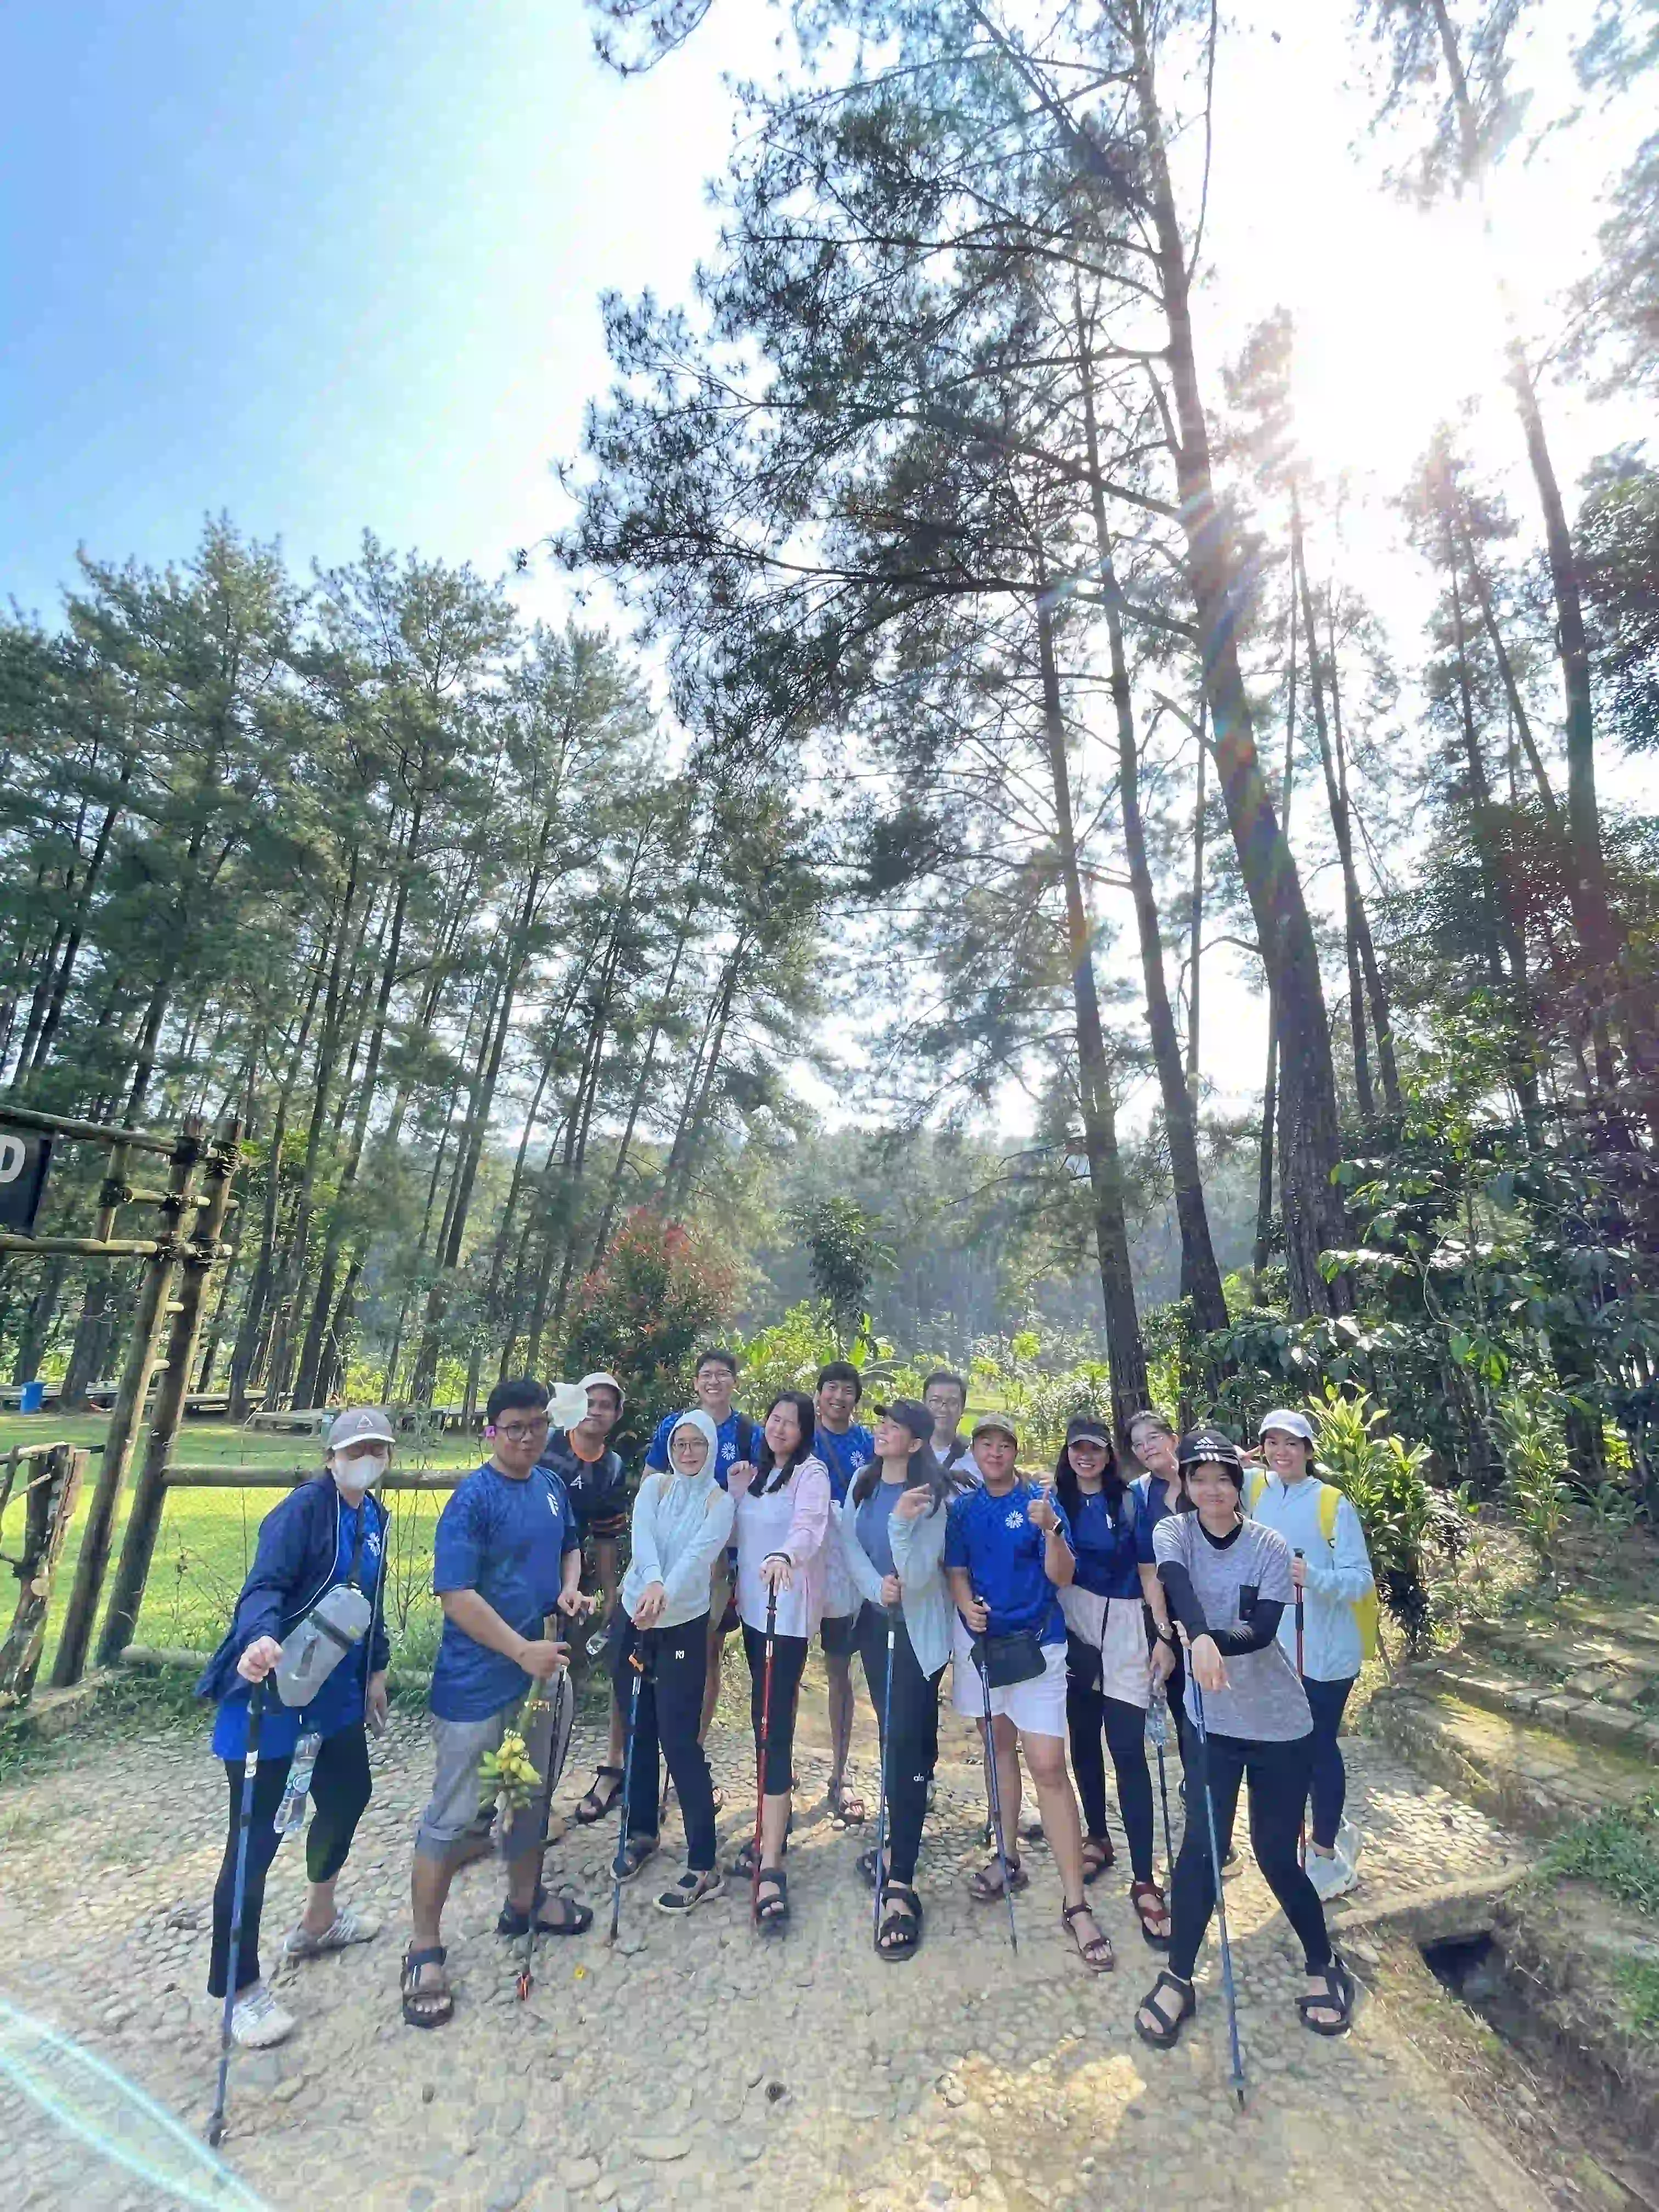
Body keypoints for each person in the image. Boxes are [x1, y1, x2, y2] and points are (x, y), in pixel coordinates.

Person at [1136, 1427, 1354, 2051]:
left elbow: (1260, 1630)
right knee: (1201, 1852)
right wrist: (1195, 1636)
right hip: (1212, 1724)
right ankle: (1179, 1976)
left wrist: (1208, 1642)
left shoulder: (1268, 1544)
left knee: (1276, 1856)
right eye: (1199, 1478)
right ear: (1185, 1483)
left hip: (1279, 1726)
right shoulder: (1173, 1532)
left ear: (1239, 1485)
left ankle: (1324, 1963)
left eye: (1223, 1479)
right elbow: (1177, 1585)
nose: (1211, 1490)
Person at [196, 1407, 393, 2049]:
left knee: (349, 1792)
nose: (367, 1459)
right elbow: (264, 1589)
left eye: (378, 1449)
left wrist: (377, 1669)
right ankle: (239, 1989)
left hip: (334, 1693)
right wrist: (257, 1639)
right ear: (332, 1456)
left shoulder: (375, 1519)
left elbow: (369, 1604)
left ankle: (319, 1918)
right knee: (255, 1840)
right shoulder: (302, 1512)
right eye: (356, 1449)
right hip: (271, 1691)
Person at [404, 1379, 592, 2030]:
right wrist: (520, 1650)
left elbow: (569, 1545)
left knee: (530, 1797)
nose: (528, 1437)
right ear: (492, 1431)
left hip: (539, 1677)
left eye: (538, 1425)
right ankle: (424, 1948)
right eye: (514, 1427)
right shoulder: (473, 1499)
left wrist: (569, 1589)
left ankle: (524, 1901)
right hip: (476, 1683)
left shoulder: (551, 1485)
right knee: (456, 1815)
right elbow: (456, 1595)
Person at [944, 1414, 1114, 1974]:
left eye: (1004, 1445)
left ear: (1016, 1452)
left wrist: (1053, 1531)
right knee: (998, 1750)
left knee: (1048, 1766)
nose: (995, 1453)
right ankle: (1008, 1854)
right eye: (986, 1444)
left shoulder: (1041, 1501)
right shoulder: (965, 1509)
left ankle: (1076, 1903)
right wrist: (964, 1603)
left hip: (1040, 1646)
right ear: (975, 1451)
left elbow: (1062, 1577)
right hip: (987, 1649)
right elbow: (957, 1569)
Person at [608, 1409, 736, 1912]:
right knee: (637, 1727)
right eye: (680, 1444)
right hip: (635, 1615)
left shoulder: (720, 1502)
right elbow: (642, 1543)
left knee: (679, 1741)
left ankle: (703, 1863)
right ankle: (641, 1831)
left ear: (711, 1449)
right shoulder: (654, 1488)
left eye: (697, 1444)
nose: (688, 1452)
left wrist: (664, 1592)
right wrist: (652, 1585)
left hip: (680, 1625)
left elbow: (698, 1557)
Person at [1246, 1407, 1376, 1901]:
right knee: (1292, 1747)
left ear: (1308, 1449)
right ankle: (1336, 1827)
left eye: (1292, 1443)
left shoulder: (1331, 1502)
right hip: (1279, 1649)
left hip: (1327, 1650)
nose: (1282, 1452)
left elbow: (1360, 1579)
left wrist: (1313, 1578)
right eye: (1272, 1443)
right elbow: (1203, 1474)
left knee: (1318, 1747)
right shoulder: (1256, 1489)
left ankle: (1325, 1856)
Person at [839, 1400, 953, 1959]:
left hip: (915, 1637)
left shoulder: (930, 1498)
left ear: (915, 1443)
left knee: (905, 1747)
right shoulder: (862, 1480)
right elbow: (848, 1543)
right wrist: (872, 1588)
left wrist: (901, 1525)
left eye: (894, 1427)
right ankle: (898, 1839)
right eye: (881, 1423)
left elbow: (918, 1576)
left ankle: (902, 1883)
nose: (882, 1430)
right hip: (874, 1626)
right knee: (895, 1741)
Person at [1051, 1415, 1170, 1946]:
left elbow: (1148, 1569)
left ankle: (1144, 1877)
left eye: (1095, 1449)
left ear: (1108, 1455)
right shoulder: (1054, 1500)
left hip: (1124, 1626)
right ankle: (1097, 1836)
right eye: (1078, 1448)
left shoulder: (1129, 1502)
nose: (1086, 1456)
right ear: (1067, 1453)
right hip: (1073, 1623)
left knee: (1127, 1751)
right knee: (1083, 1742)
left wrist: (1163, 1633)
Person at [727, 1389, 831, 1934]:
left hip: (786, 1617)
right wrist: (733, 1492)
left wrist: (785, 1554)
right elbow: (732, 1534)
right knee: (763, 1720)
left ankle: (772, 1862)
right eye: (774, 1419)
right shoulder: (755, 1476)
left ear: (805, 1431)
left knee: (774, 1727)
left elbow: (809, 1528)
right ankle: (773, 1825)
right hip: (753, 1612)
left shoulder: (811, 1475)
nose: (779, 1428)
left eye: (791, 1422)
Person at [631, 1348, 759, 1774]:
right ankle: (640, 1757)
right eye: (706, 1374)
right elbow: (652, 1487)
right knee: (652, 1653)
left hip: (720, 1561)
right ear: (695, 1382)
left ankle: (689, 1756)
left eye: (723, 1374)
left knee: (707, 1652)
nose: (714, 1381)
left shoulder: (748, 1433)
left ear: (734, 1382)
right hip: (667, 1560)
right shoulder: (675, 1426)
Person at [540, 1373, 633, 1827]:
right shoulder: (548, 1447)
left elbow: (607, 1536)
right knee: (525, 1688)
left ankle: (545, 1796)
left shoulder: (612, 1468)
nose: (596, 1411)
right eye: (590, 1402)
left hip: (576, 1590)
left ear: (617, 1416)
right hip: (529, 1579)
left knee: (564, 1687)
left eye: (606, 1405)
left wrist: (611, 1592)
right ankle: (500, 1798)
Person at [813, 1359, 876, 1824]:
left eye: (847, 1390)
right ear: (818, 1394)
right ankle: (780, 1773)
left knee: (839, 1670)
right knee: (785, 1670)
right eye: (831, 1388)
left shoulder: (867, 1443)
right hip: (801, 1562)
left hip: (846, 1565)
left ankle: (840, 1773)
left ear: (856, 1398)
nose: (838, 1397)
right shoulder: (801, 1433)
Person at [1127, 1409, 1188, 1751]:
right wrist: (1163, 1633)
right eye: (1138, 1444)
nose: (1147, 1448)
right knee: (1185, 1713)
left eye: (1153, 1438)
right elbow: (1148, 1569)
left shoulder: (1206, 1478)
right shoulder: (1139, 1494)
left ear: (1173, 1440)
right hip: (1170, 1616)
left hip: (1220, 1613)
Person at [923, 1369, 977, 1482]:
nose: (944, 1409)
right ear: (924, 1405)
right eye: (936, 1401)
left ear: (962, 1409)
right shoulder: (905, 1453)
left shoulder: (978, 1459)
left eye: (952, 1402)